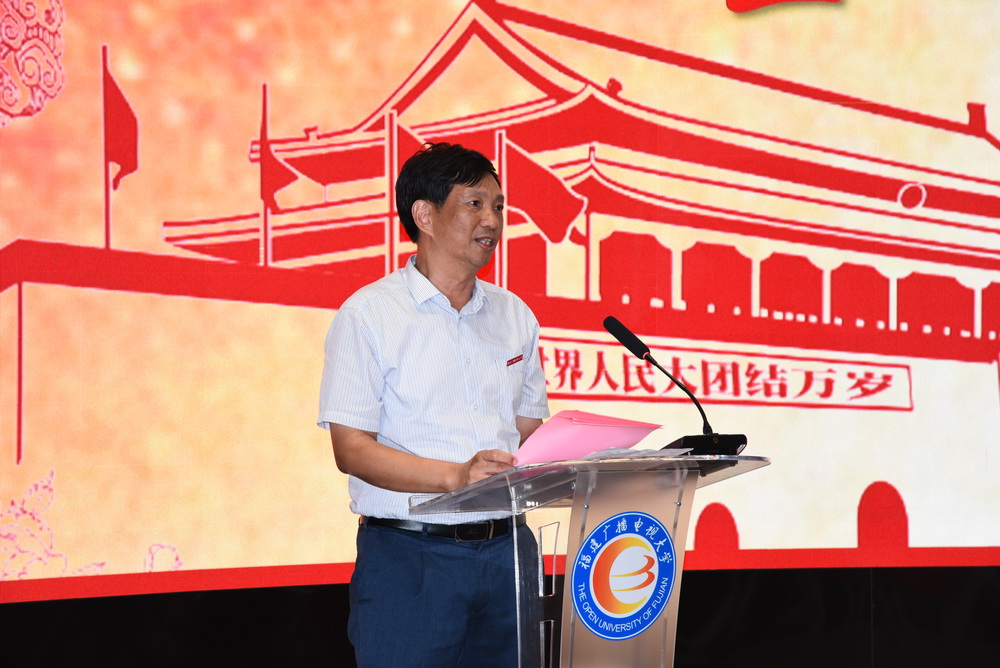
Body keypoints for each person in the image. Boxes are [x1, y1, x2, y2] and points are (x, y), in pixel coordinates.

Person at [317, 142, 550, 667]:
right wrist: (456, 477)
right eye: (475, 204)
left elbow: (528, 430)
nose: (492, 220)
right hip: (411, 558)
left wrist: (583, 460)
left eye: (498, 206)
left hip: (510, 553)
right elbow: (351, 449)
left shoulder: (515, 315)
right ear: (424, 215)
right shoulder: (369, 315)